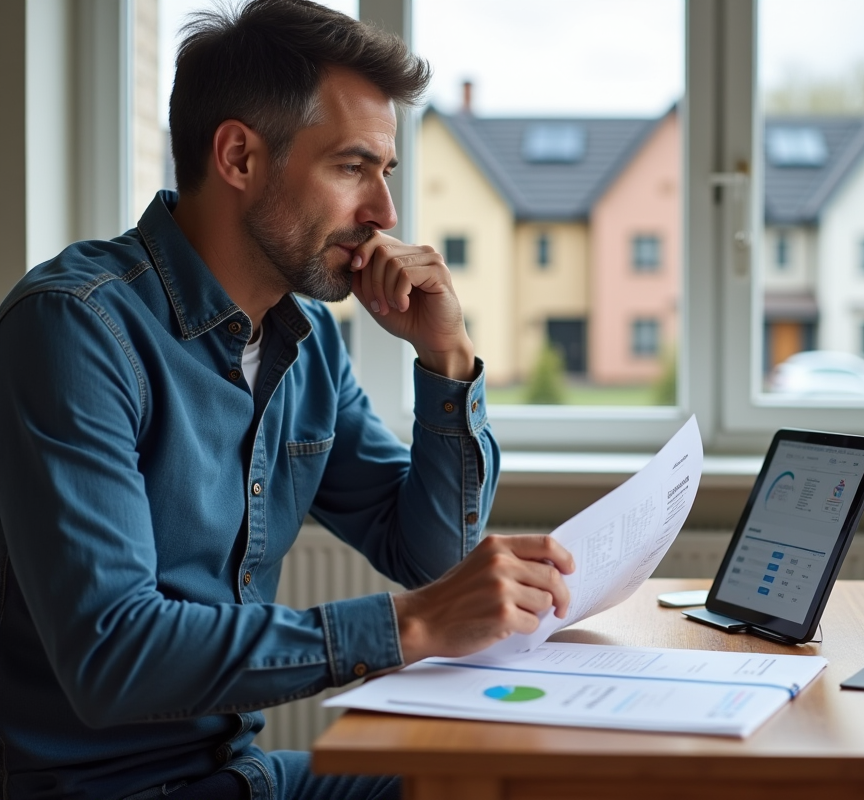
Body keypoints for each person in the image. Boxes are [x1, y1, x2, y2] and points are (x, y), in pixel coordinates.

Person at [0, 1, 574, 798]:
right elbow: (113, 655)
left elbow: (432, 554)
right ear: (238, 156)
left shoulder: (304, 345)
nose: (385, 214)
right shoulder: (75, 328)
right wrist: (411, 626)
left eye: (385, 172)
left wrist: (446, 358)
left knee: (516, 781)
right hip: (102, 790)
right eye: (351, 167)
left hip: (239, 777)